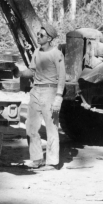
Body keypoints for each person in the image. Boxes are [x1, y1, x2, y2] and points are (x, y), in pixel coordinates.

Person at [20, 21, 66, 171]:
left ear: (50, 38)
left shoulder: (56, 54)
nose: (38, 37)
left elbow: (62, 77)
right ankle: (37, 159)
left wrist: (59, 96)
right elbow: (31, 71)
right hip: (36, 92)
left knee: (52, 129)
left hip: (50, 92)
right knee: (31, 127)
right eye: (38, 34)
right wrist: (18, 73)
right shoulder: (37, 52)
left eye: (42, 35)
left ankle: (52, 162)